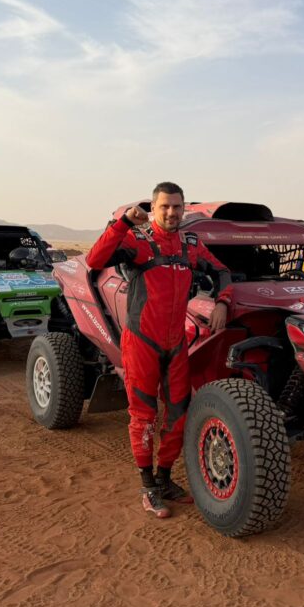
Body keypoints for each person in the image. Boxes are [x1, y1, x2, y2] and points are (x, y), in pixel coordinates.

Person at [86, 182, 233, 519]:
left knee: (179, 415)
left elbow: (222, 271)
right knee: (144, 416)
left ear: (184, 209)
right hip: (142, 342)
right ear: (153, 209)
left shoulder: (190, 245)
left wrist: (223, 302)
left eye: (177, 207)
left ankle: (165, 479)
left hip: (175, 344)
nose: (171, 212)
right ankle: (148, 485)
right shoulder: (139, 240)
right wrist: (124, 222)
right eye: (164, 206)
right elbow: (96, 259)